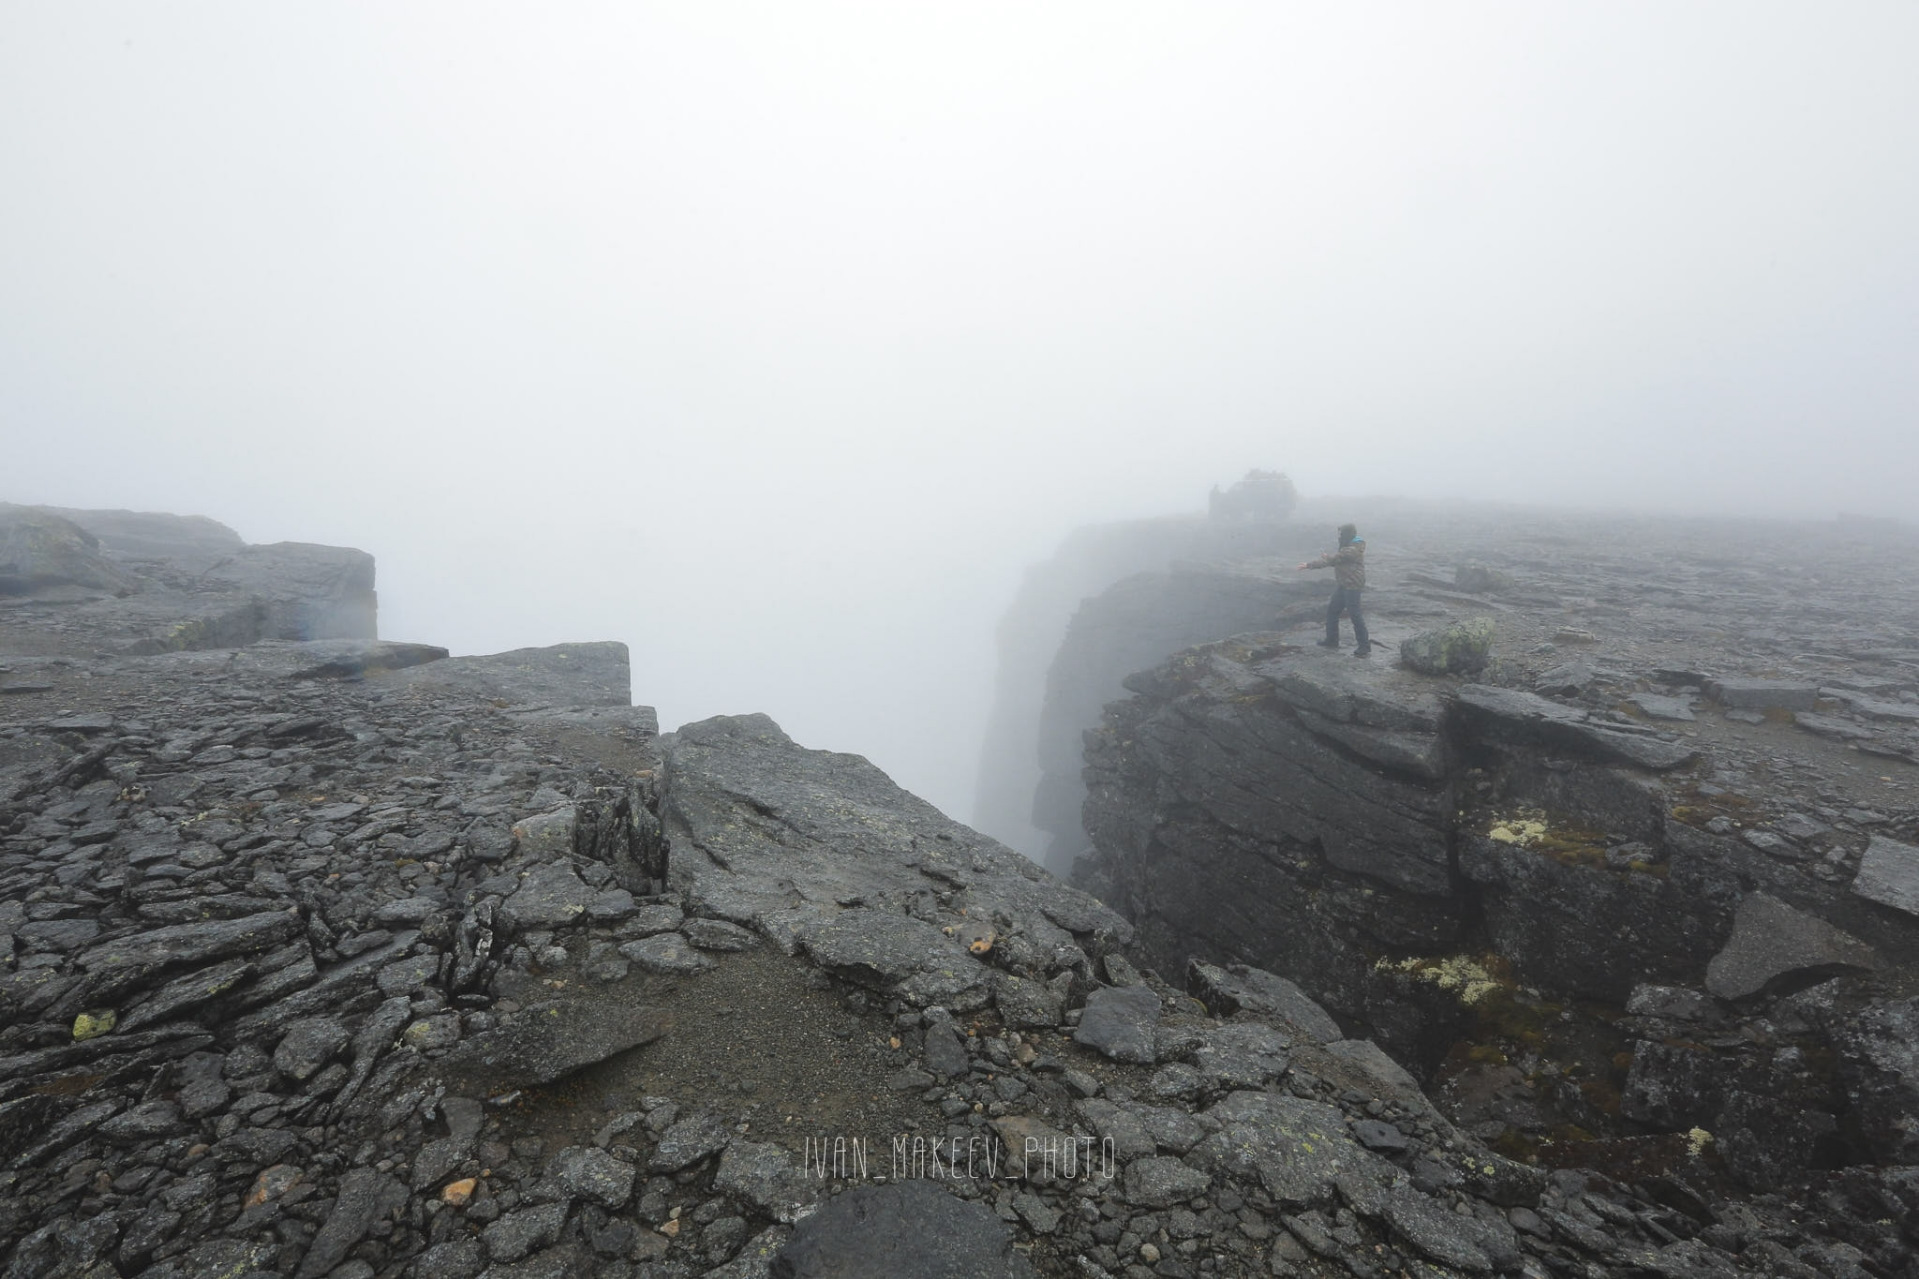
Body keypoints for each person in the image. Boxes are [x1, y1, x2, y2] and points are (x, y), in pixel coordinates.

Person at [1297, 523, 1370, 656]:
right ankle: (1332, 640)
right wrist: (1329, 559)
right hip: (1344, 584)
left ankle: (1364, 646)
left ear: (1347, 534)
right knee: (1332, 611)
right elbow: (1335, 560)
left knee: (1355, 615)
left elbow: (1334, 560)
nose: (1339, 536)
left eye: (1341, 533)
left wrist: (1309, 565)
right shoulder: (1350, 547)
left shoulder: (1351, 549)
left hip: (1352, 585)